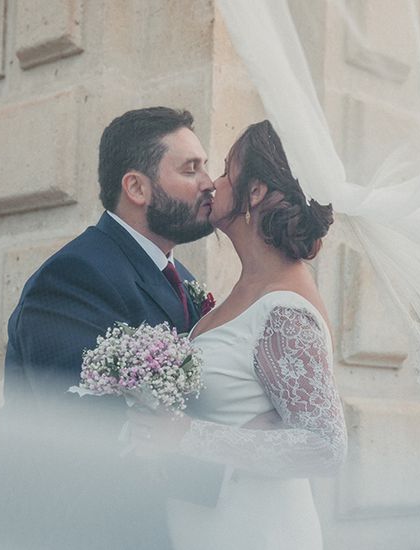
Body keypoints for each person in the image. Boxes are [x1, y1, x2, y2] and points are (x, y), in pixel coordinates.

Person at [0, 107, 224, 550]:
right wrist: (231, 462)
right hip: (52, 526)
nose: (209, 183)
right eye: (190, 168)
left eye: (206, 166)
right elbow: (86, 431)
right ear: (137, 187)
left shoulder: (186, 282)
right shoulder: (76, 275)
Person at [128, 120, 348, 550]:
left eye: (227, 171)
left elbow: (325, 446)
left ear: (255, 192)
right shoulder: (247, 290)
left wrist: (187, 436)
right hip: (211, 524)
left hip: (257, 530)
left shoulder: (284, 308)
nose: (212, 183)